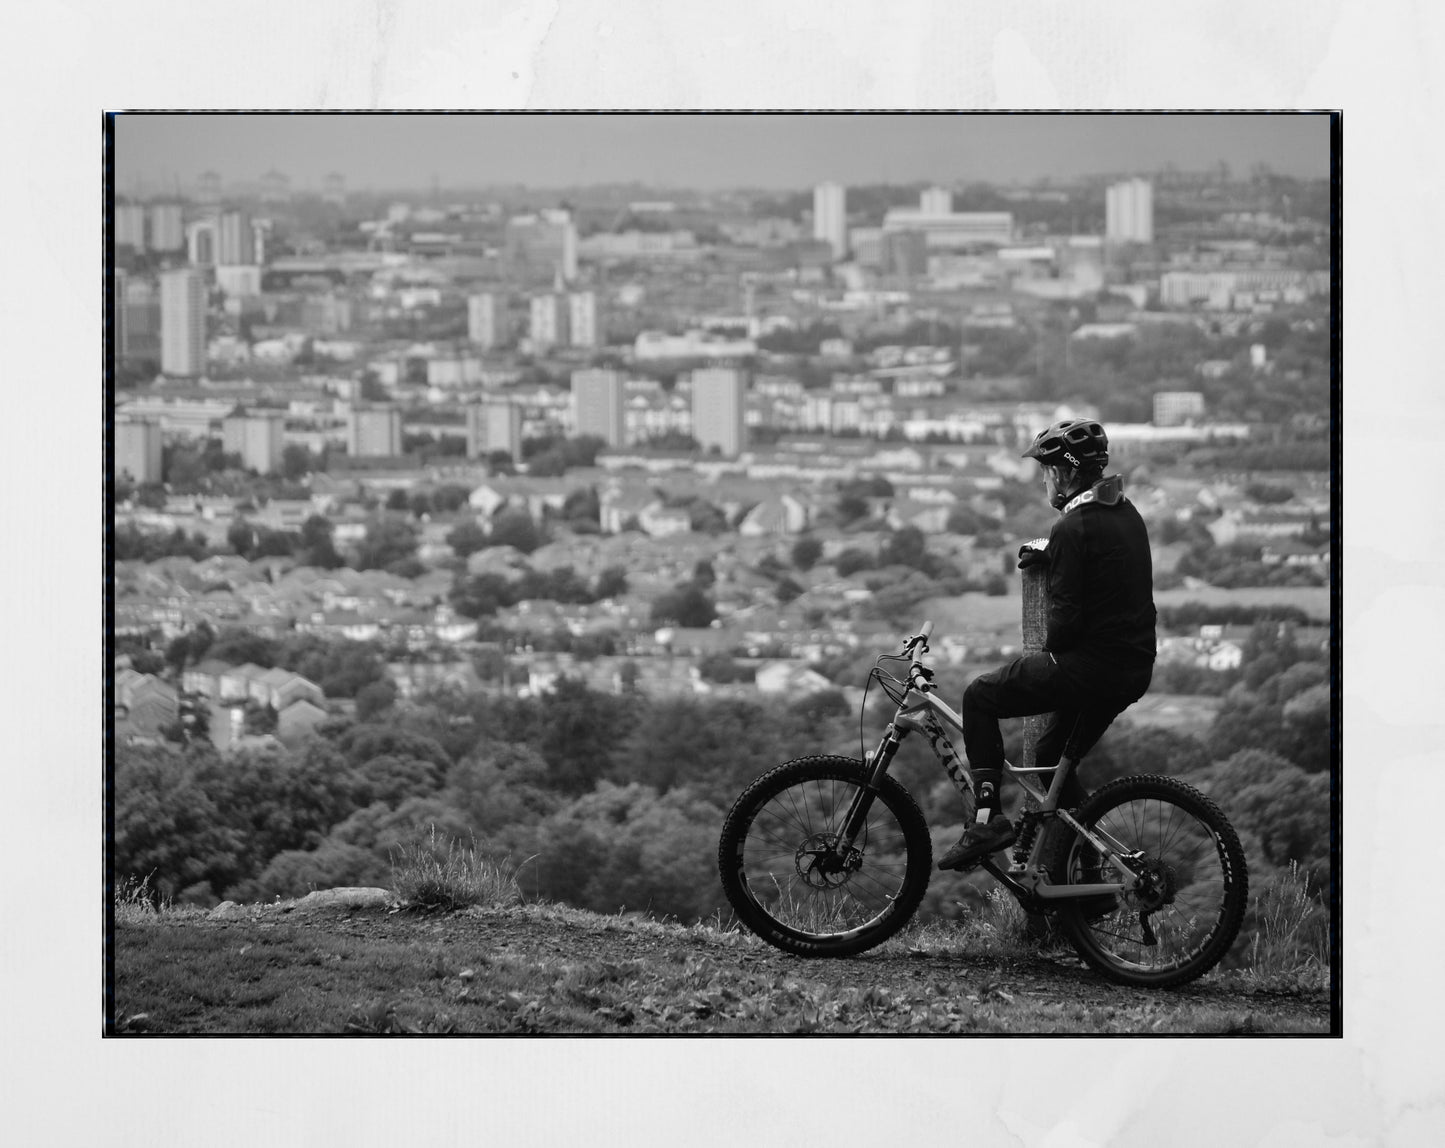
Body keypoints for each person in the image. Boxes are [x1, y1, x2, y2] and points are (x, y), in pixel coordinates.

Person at [938, 417, 1157, 871]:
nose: (1044, 480)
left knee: (979, 696)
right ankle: (1092, 870)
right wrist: (1055, 555)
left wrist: (1055, 557)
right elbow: (1105, 565)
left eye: (1046, 471)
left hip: (1089, 668)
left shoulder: (1071, 528)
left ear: (1064, 473)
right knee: (1047, 760)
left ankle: (986, 819)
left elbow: (1063, 629)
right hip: (1132, 667)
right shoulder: (1126, 513)